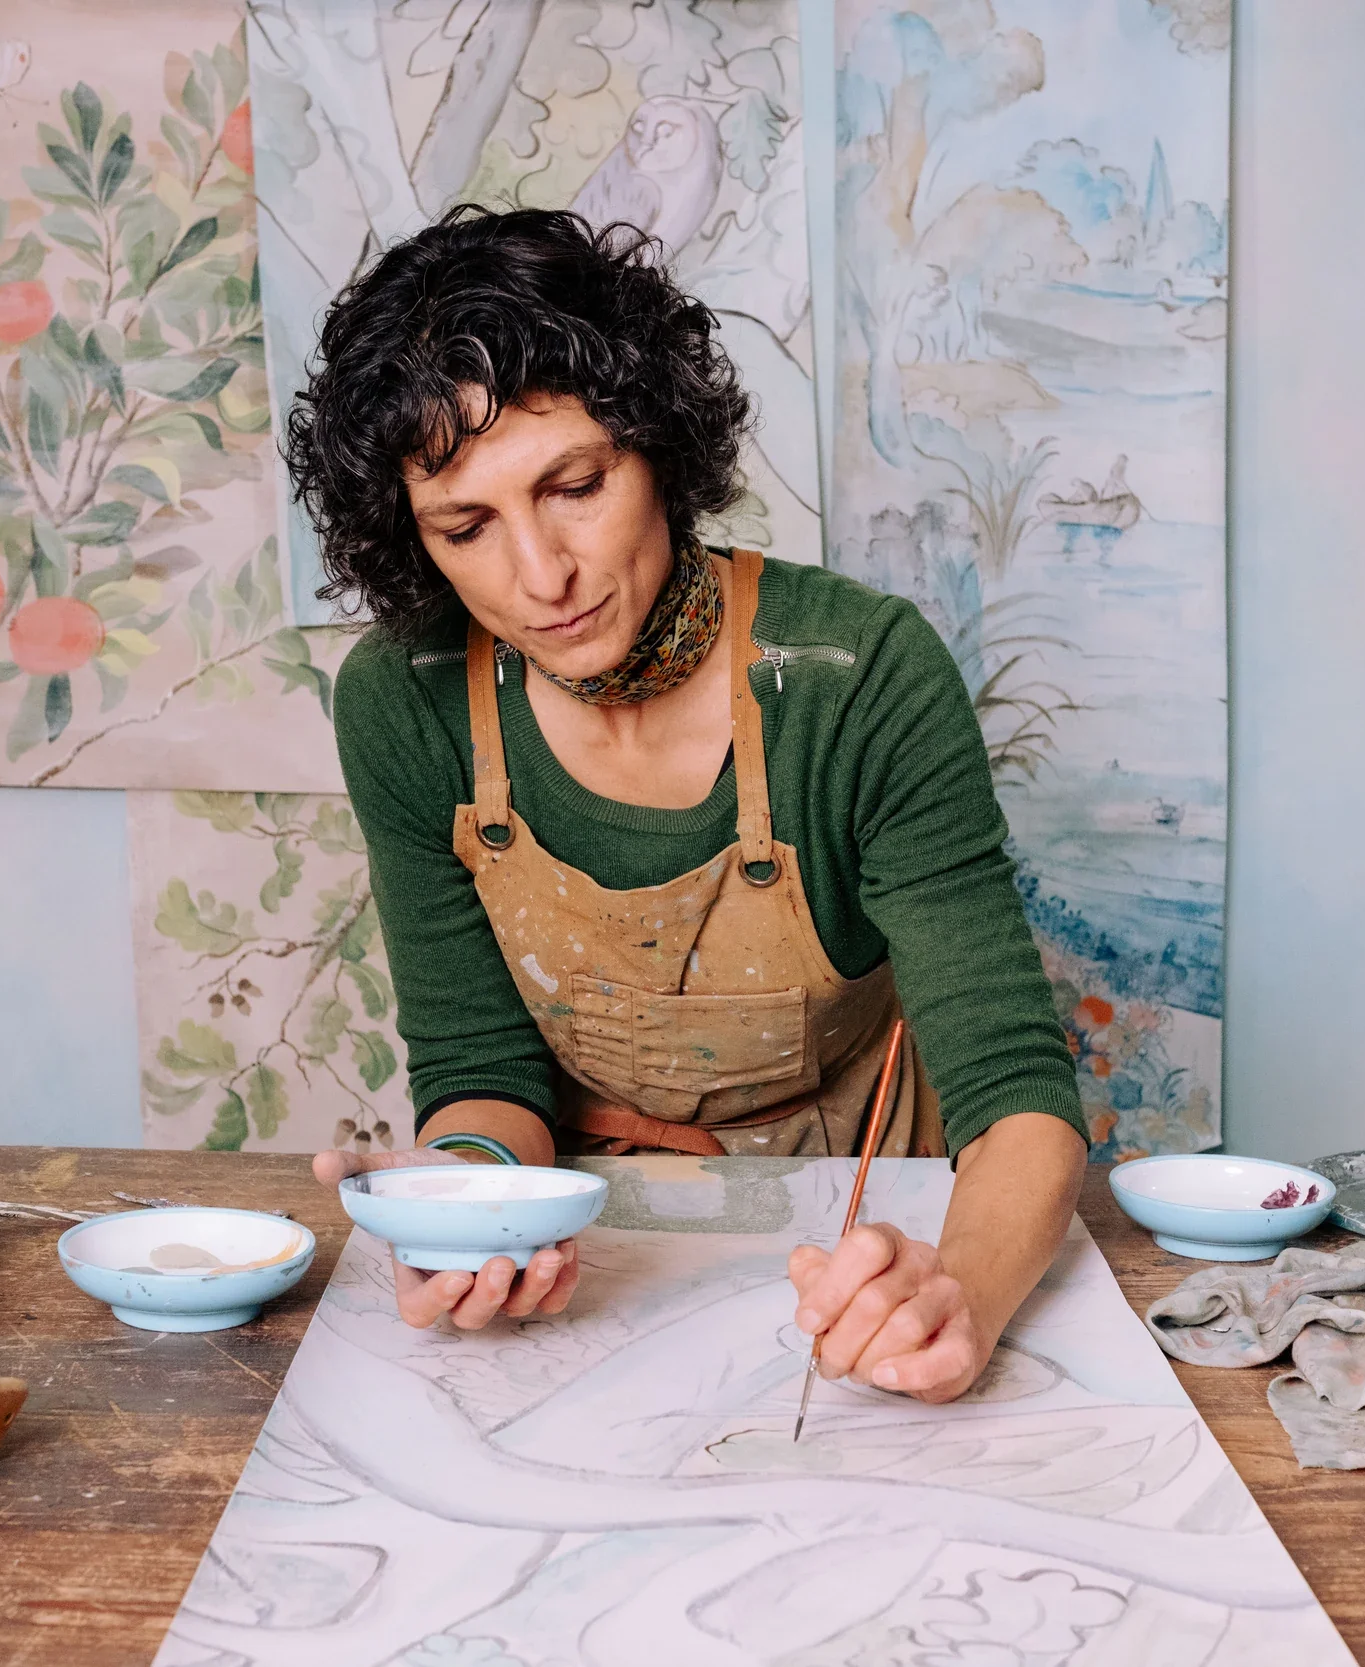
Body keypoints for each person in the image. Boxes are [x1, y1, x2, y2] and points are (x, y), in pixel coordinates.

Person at [291, 207, 1087, 1403]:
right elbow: (478, 1064)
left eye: (574, 485)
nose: (540, 576)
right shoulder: (404, 697)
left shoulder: (856, 675)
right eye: (466, 525)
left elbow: (1013, 1083)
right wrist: (466, 1199)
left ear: (658, 444)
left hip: (871, 1220)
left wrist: (956, 1291)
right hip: (593, 1246)